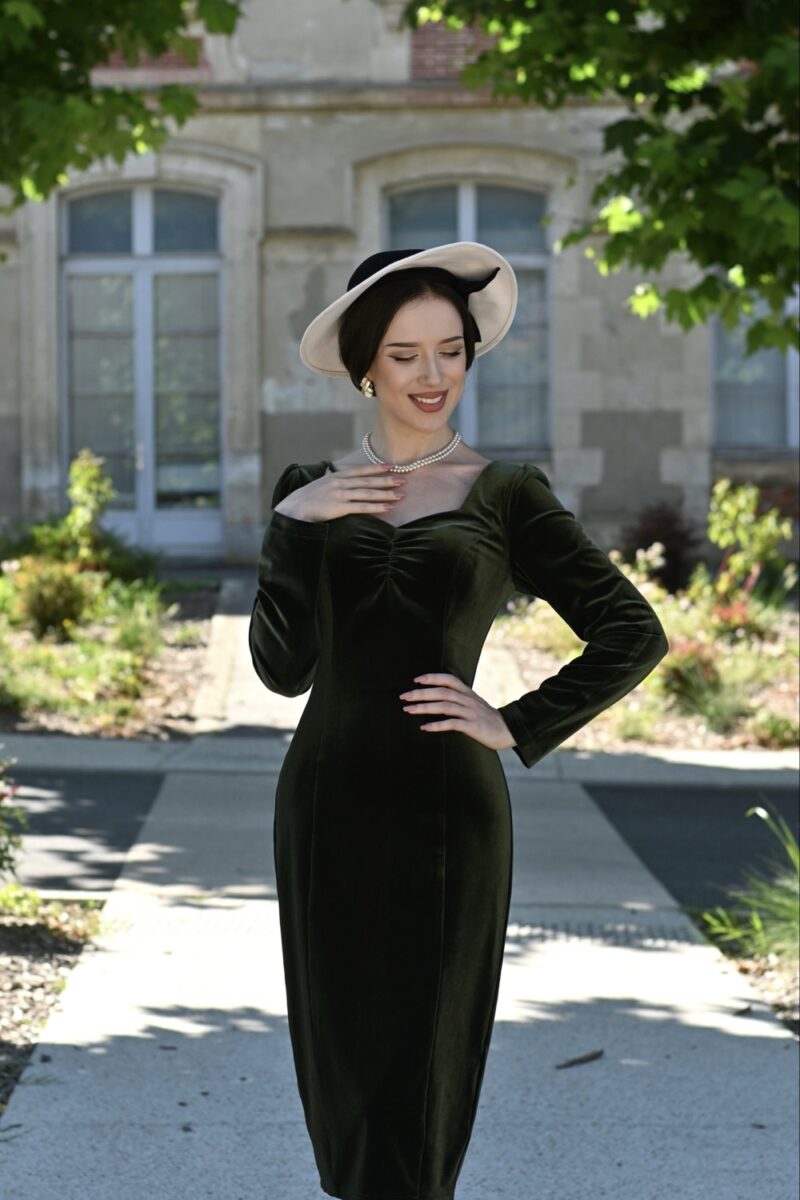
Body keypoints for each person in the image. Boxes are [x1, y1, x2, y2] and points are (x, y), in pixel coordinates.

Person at [249, 242, 669, 1199]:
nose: (432, 375)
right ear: (365, 366)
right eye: (405, 355)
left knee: (425, 1067)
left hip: (448, 811)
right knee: (342, 1066)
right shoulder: (307, 489)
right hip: (324, 804)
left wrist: (515, 720)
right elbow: (282, 671)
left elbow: (631, 632)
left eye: (451, 350)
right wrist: (293, 526)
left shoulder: (507, 493)